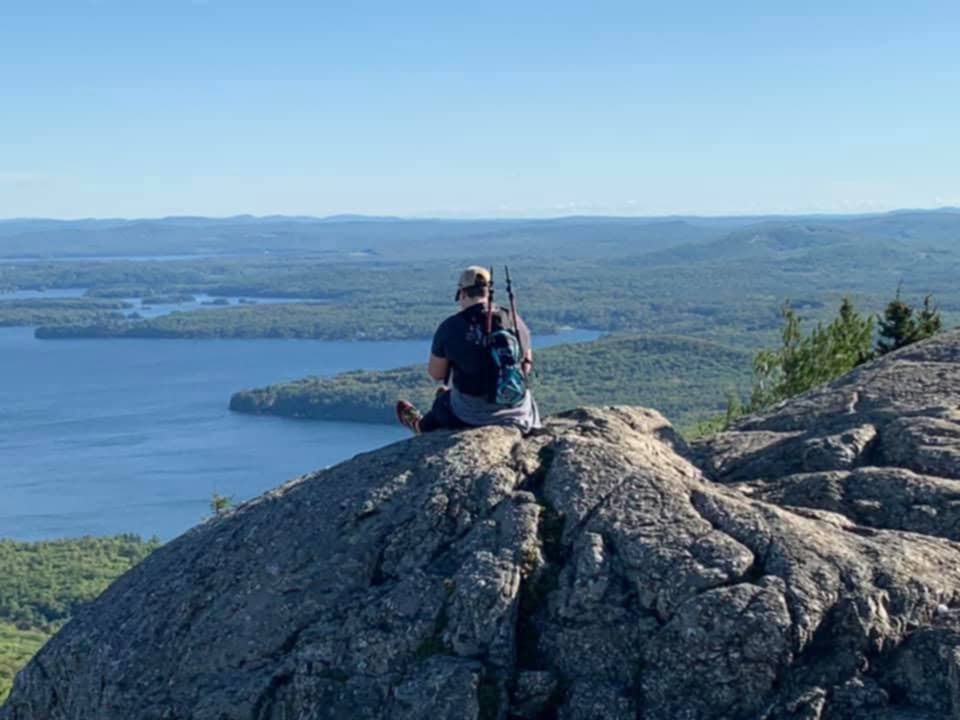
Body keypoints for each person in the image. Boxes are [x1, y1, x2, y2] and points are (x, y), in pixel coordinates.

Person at [396, 266, 541, 434]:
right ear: (488, 292)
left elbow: (436, 373)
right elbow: (526, 366)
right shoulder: (513, 319)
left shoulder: (451, 327)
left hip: (473, 414)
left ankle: (418, 425)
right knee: (447, 396)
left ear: (463, 293)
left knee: (441, 405)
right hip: (520, 410)